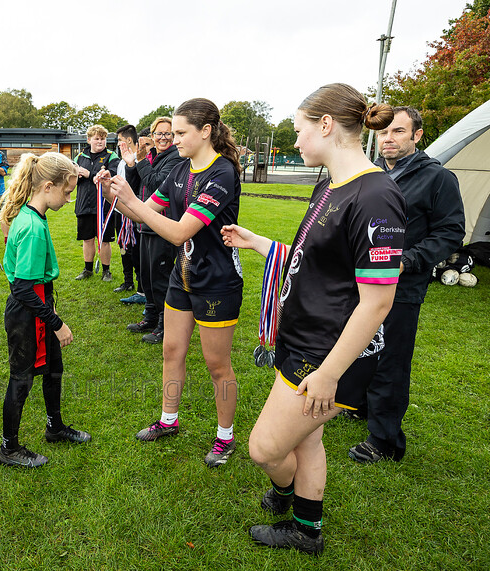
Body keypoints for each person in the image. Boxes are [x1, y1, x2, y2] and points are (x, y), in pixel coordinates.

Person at [221, 84, 405, 555]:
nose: (297, 141)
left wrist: (329, 374)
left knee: (264, 448)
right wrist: (258, 242)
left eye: (300, 130)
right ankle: (306, 530)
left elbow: (377, 303)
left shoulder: (376, 195)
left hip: (326, 354)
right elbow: (316, 261)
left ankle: (287, 497)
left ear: (325, 125)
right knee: (308, 440)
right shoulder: (329, 184)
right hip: (302, 340)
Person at [101, 99, 243, 468]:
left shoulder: (222, 172)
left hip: (216, 281)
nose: (173, 139)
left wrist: (134, 201)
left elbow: (180, 232)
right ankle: (168, 420)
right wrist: (113, 194)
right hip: (182, 277)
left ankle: (224, 437)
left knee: (217, 365)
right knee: (171, 350)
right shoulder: (179, 169)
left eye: (181, 133)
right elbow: (143, 211)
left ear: (205, 131)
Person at [348, 106, 465, 463]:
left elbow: (451, 232)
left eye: (398, 131)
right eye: (383, 132)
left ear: (417, 135)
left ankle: (385, 441)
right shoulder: (370, 174)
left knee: (391, 359)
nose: (388, 138)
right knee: (360, 345)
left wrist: (407, 261)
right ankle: (359, 405)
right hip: (362, 280)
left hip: (403, 285)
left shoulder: (437, 178)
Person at [0, 152, 91, 468]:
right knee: (21, 379)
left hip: (38, 306)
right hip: (28, 311)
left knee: (53, 369)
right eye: (67, 192)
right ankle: (9, 448)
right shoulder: (33, 226)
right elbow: (23, 288)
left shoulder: (33, 215)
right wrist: (57, 323)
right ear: (48, 186)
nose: (68, 200)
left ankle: (54, 426)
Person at [124, 117, 188, 343]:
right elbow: (136, 185)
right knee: (147, 278)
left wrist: (141, 163)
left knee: (161, 279)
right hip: (145, 223)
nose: (163, 138)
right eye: (158, 133)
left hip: (163, 224)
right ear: (152, 135)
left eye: (168, 133)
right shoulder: (152, 156)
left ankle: (164, 325)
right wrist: (133, 164)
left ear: (174, 136)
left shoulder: (176, 158)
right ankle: (150, 317)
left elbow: (156, 183)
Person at [74, 125, 120, 282]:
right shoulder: (80, 156)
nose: (100, 141)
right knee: (87, 239)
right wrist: (76, 175)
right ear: (89, 140)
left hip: (104, 206)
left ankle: (106, 271)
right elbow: (69, 175)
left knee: (105, 240)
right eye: (97, 138)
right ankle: (87, 269)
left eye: (103, 138)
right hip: (84, 204)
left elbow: (113, 176)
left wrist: (89, 174)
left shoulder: (111, 156)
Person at [112, 124, 143, 294]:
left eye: (120, 140)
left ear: (129, 140)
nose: (118, 144)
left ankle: (141, 286)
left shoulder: (139, 160)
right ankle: (127, 281)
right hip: (120, 211)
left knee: (136, 248)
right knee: (123, 245)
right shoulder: (120, 162)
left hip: (134, 211)